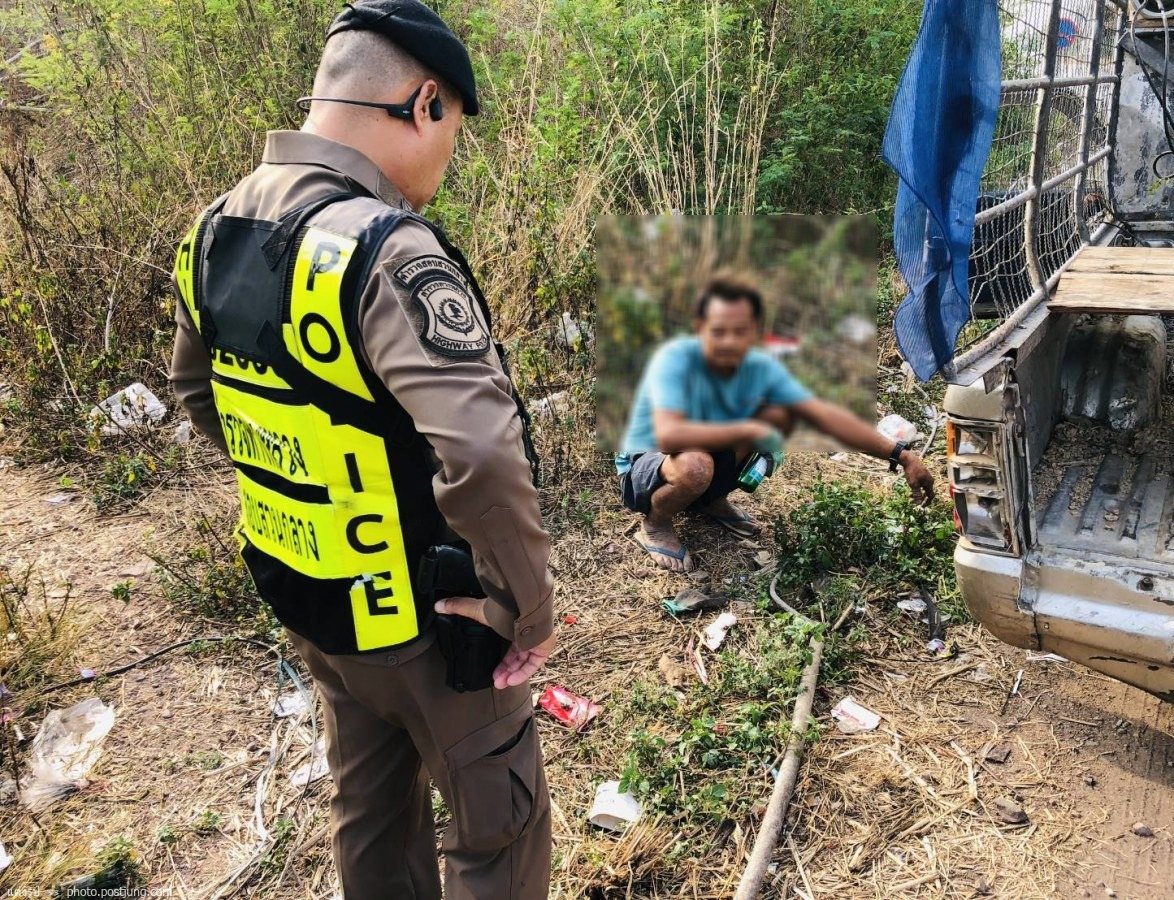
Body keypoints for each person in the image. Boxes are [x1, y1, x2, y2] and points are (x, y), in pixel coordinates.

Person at [168, 2, 554, 897]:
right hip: (432, 620)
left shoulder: (213, 229)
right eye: (452, 133)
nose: (445, 165)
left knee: (373, 815)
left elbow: (198, 392)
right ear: (424, 104)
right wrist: (525, 608)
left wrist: (310, 496)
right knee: (499, 831)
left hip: (312, 600)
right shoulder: (385, 246)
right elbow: (483, 457)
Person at [617, 272, 936, 572]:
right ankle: (656, 524)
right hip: (648, 463)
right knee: (697, 464)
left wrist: (902, 455)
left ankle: (709, 501)